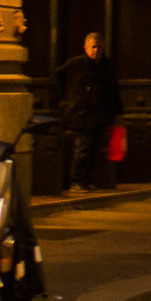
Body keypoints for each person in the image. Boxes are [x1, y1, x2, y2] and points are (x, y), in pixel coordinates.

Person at [57, 33, 121, 192]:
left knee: (94, 148)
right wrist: (67, 100)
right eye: (93, 47)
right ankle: (76, 180)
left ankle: (86, 179)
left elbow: (113, 90)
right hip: (82, 112)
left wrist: (116, 113)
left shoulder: (107, 65)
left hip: (100, 111)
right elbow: (58, 77)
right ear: (86, 48)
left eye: (99, 47)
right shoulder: (75, 64)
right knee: (83, 147)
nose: (96, 50)